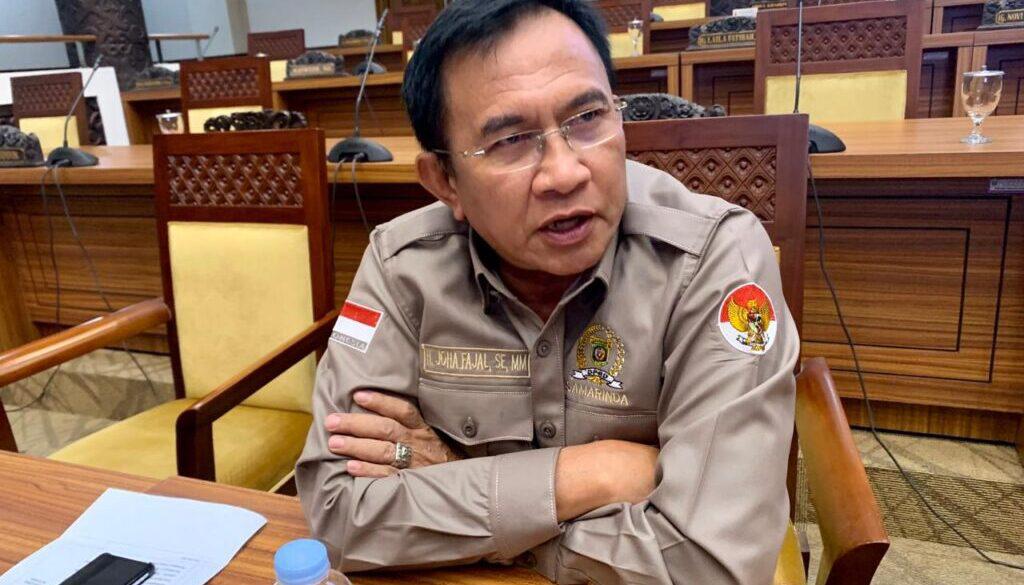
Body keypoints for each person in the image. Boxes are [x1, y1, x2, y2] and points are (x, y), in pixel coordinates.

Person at [296, 1, 799, 583]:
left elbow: (709, 566)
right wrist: (593, 475)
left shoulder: (714, 257)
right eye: (510, 140)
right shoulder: (398, 265)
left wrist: (455, 488)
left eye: (587, 117)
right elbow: (337, 514)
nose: (565, 174)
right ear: (444, 181)